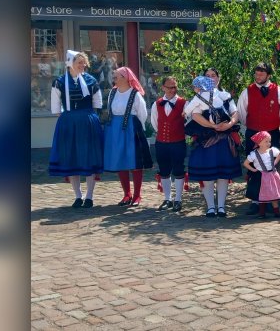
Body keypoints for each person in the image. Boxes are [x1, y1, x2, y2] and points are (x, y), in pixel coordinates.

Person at [49, 50, 104, 208]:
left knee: (89, 157)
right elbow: (56, 108)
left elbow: (97, 103)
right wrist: (69, 120)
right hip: (68, 123)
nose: (83, 65)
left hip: (87, 122)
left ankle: (90, 196)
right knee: (71, 157)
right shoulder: (59, 82)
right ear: (70, 63)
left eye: (83, 62)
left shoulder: (91, 80)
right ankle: (78, 195)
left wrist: (86, 118)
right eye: (79, 62)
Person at [185, 75, 242, 218]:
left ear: (218, 78)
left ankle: (221, 207)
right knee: (207, 176)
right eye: (208, 76)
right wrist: (212, 125)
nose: (211, 78)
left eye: (213, 75)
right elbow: (195, 115)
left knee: (223, 176)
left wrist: (228, 124)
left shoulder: (225, 96)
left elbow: (235, 113)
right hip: (206, 140)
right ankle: (211, 207)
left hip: (224, 139)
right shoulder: (199, 97)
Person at [237, 63, 280, 215]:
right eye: (256, 74)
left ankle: (271, 200)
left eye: (261, 74)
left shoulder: (279, 91)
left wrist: (272, 126)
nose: (258, 76)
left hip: (272, 134)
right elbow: (241, 113)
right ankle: (255, 201)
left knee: (271, 167)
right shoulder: (247, 91)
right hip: (253, 133)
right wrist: (254, 128)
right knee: (254, 166)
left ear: (268, 75)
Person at [103, 67, 153, 207]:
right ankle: (127, 194)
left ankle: (137, 195)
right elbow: (110, 111)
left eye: (116, 77)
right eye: (114, 77)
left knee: (135, 162)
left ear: (125, 78)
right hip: (115, 130)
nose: (114, 79)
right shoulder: (112, 93)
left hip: (131, 130)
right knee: (120, 161)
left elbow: (142, 114)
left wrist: (139, 131)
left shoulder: (135, 94)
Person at [150, 76, 187, 213]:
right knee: (164, 171)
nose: (172, 90)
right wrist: (162, 135)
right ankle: (167, 199)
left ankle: (178, 199)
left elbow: (187, 123)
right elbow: (155, 122)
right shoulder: (157, 104)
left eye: (174, 87)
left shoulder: (184, 103)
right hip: (162, 143)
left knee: (178, 170)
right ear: (163, 88)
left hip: (178, 142)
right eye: (169, 87)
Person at [242, 131, 280, 219]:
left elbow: (279, 154)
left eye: (269, 141)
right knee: (262, 195)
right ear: (259, 143)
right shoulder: (254, 154)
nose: (268, 143)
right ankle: (262, 213)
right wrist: (253, 169)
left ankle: (276, 212)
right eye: (266, 141)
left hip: (272, 175)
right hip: (260, 176)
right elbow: (246, 163)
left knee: (274, 194)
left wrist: (274, 163)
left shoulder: (272, 150)